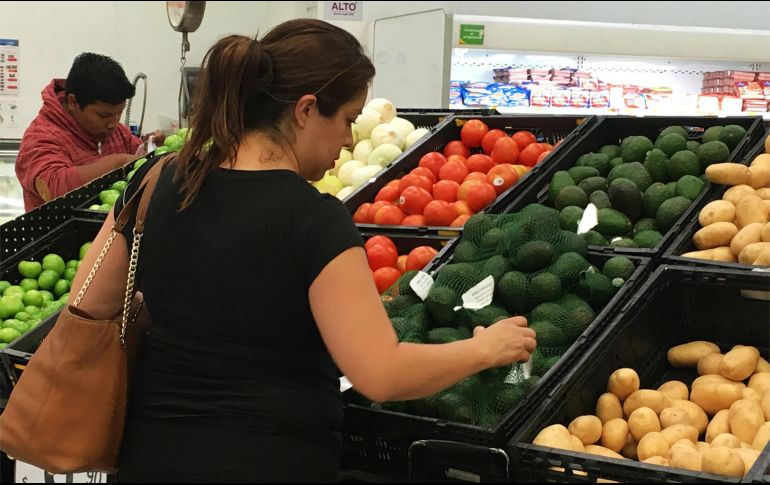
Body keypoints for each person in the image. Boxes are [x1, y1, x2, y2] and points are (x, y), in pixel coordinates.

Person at [70, 19, 536, 482]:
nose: (350, 139)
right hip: (269, 462)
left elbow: (87, 302)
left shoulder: (160, 180)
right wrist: (483, 349)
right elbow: (381, 373)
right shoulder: (314, 220)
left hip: (149, 458)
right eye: (348, 119)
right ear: (306, 110)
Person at [15, 52, 163, 211]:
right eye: (103, 115)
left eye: (119, 113)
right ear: (73, 102)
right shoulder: (40, 137)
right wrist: (117, 163)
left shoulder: (115, 131)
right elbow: (55, 188)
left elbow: (136, 157)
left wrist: (149, 148)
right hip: (66, 235)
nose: (113, 124)